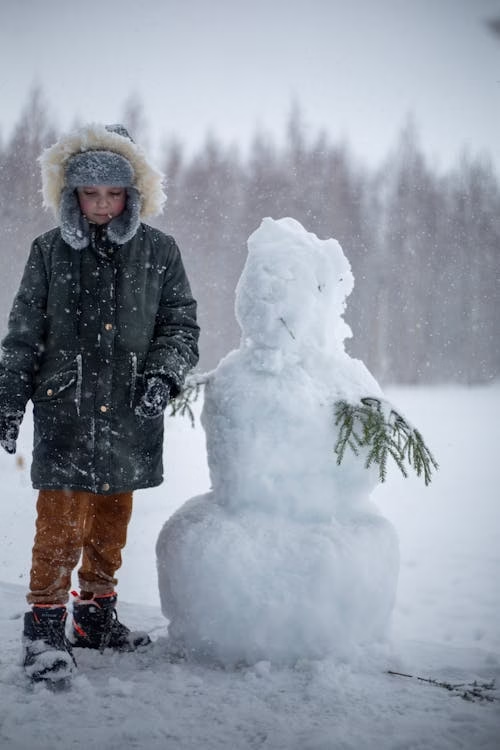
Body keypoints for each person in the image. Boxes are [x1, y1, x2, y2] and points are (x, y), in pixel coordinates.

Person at [0, 123, 199, 686]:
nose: (103, 205)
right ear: (72, 194)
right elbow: (23, 334)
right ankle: (43, 633)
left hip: (131, 410)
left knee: (112, 520)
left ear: (133, 195)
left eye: (114, 194)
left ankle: (93, 617)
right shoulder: (48, 251)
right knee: (61, 523)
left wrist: (163, 372)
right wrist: (9, 397)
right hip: (67, 409)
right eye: (92, 194)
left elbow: (179, 323)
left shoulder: (160, 250)